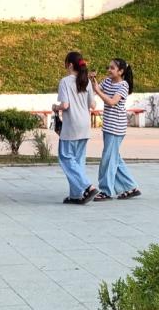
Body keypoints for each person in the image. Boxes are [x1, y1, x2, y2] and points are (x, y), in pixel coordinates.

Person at [90, 58, 141, 200]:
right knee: (115, 158)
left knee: (108, 159)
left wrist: (98, 91)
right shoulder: (107, 81)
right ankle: (131, 187)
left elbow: (112, 102)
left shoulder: (123, 85)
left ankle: (106, 191)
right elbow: (95, 91)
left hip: (116, 128)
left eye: (112, 68)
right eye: (109, 67)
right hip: (108, 126)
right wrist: (91, 80)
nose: (109, 70)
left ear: (121, 71)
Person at [54, 51, 98, 204]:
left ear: (70, 65)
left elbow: (65, 105)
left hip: (71, 125)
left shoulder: (65, 81)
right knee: (78, 161)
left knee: (66, 158)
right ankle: (76, 195)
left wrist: (55, 107)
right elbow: (92, 105)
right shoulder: (86, 81)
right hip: (85, 125)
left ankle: (88, 187)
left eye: (66, 63)